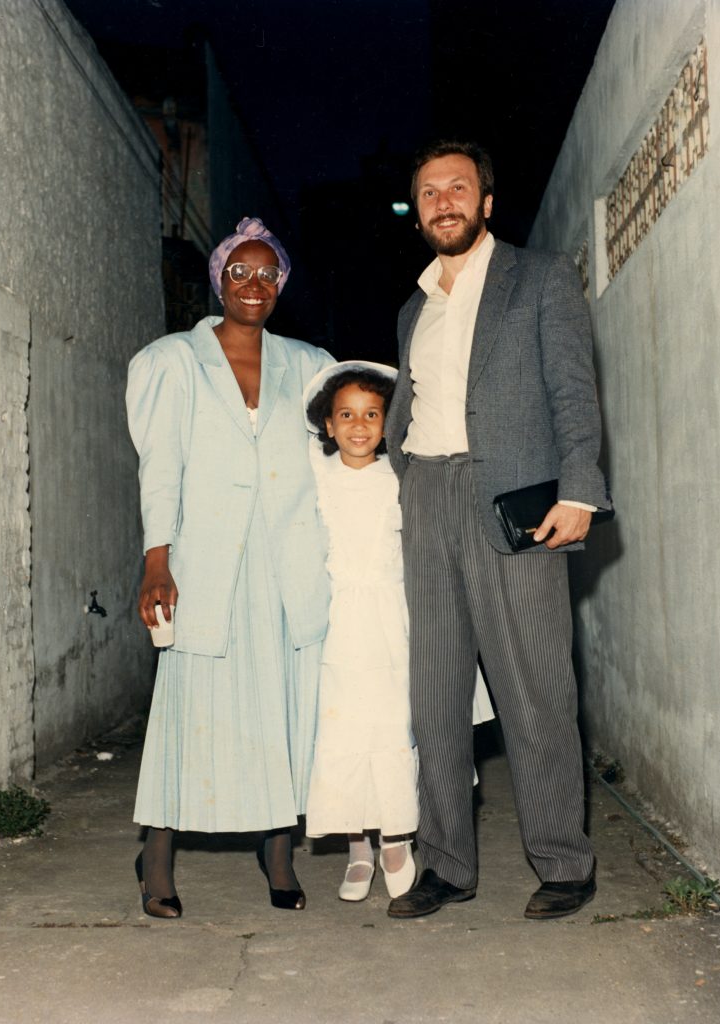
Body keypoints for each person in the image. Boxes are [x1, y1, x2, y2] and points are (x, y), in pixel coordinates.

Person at [384, 140, 612, 921]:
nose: (442, 200)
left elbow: (573, 395)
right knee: (436, 694)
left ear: (486, 201)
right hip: (428, 498)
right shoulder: (413, 307)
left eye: (458, 187)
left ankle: (562, 862)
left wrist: (580, 490)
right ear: (417, 211)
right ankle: (445, 864)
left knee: (534, 684)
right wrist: (405, 485)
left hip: (516, 501)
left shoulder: (541, 278)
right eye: (427, 192)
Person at [126, 216, 334, 917]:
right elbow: (161, 467)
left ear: (281, 284)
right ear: (218, 280)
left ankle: (278, 852)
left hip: (286, 562)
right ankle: (156, 858)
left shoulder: (308, 363)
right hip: (206, 564)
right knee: (188, 709)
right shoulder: (172, 361)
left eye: (266, 273)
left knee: (284, 706)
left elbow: (337, 459)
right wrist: (158, 559)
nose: (253, 284)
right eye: (239, 272)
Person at [302, 362, 418, 903]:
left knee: (391, 722)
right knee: (344, 728)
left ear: (388, 423)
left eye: (372, 415)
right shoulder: (317, 475)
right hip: (339, 619)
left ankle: (396, 835)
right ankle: (358, 848)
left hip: (392, 617)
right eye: (345, 415)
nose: (358, 425)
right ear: (327, 425)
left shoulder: (400, 476)